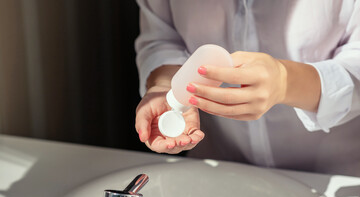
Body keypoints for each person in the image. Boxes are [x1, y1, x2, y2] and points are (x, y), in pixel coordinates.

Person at [134, 0, 360, 176]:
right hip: (218, 172)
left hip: (334, 178)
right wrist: (166, 87)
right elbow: (162, 37)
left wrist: (286, 82)